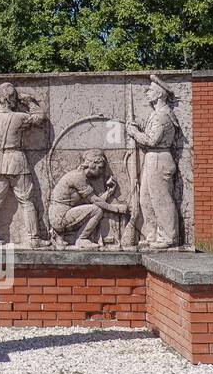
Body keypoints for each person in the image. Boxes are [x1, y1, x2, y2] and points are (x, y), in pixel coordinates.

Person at [0, 82, 47, 247]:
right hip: (16, 160)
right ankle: (34, 239)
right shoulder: (19, 117)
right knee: (27, 201)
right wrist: (29, 101)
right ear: (11, 99)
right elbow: (40, 117)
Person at [125, 74, 181, 249]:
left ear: (158, 94)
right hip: (152, 158)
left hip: (159, 158)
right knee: (146, 199)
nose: (147, 92)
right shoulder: (156, 114)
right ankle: (153, 234)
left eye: (150, 90)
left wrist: (134, 133)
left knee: (161, 199)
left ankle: (168, 237)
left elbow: (151, 140)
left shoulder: (162, 116)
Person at [47, 150, 129, 250]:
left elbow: (92, 202)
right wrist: (116, 209)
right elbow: (96, 202)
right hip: (60, 217)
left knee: (96, 209)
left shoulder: (82, 177)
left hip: (64, 214)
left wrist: (109, 192)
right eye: (100, 167)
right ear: (91, 164)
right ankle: (82, 238)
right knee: (97, 211)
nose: (102, 171)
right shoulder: (78, 177)